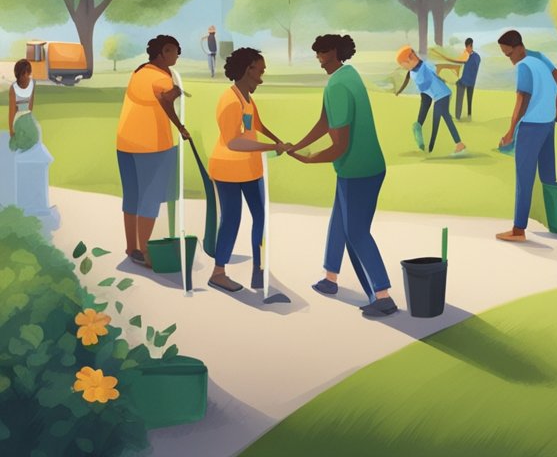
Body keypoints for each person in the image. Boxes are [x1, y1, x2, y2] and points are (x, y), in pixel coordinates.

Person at [289, 34, 397, 318]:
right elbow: (326, 121)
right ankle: (330, 278)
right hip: (363, 167)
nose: (319, 59)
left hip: (358, 171)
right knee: (340, 221)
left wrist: (309, 158)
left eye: (322, 53)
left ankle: (383, 296)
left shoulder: (337, 85)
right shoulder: (348, 75)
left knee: (357, 232)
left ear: (335, 52)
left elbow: (339, 146)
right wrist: (297, 145)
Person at [207, 48, 291, 292]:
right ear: (247, 70)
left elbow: (257, 124)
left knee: (261, 219)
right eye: (260, 72)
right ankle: (218, 273)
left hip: (251, 170)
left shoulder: (246, 98)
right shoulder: (229, 101)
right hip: (228, 170)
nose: (261, 78)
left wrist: (280, 142)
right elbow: (233, 142)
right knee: (232, 219)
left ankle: (259, 268)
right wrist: (272, 146)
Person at [116, 36, 190, 270]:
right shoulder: (161, 76)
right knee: (150, 198)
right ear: (164, 52)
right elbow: (166, 100)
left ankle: (132, 247)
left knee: (132, 196)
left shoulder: (139, 72)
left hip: (125, 141)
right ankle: (146, 252)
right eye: (176, 51)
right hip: (152, 144)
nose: (177, 55)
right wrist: (180, 125)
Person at [496, 30, 557, 242]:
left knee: (524, 178)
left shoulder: (523, 65)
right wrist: (550, 111)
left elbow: (522, 100)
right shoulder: (539, 58)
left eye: (509, 54)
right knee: (549, 176)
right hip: (548, 125)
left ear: (519, 48)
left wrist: (510, 132)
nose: (510, 60)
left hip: (531, 127)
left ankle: (518, 229)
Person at [394, 46, 466, 154]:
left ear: (409, 60)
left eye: (403, 65)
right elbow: (411, 82)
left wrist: (453, 70)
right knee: (439, 119)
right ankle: (438, 144)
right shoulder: (414, 72)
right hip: (437, 96)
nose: (403, 67)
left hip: (442, 95)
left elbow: (437, 71)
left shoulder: (425, 67)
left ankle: (440, 145)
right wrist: (399, 91)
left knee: (440, 120)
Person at [8, 59, 39, 151]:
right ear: (19, 73)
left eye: (27, 72)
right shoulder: (13, 88)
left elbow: (31, 104)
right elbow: (12, 110)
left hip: (27, 115)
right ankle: (14, 143)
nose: (26, 75)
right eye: (23, 73)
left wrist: (29, 118)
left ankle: (18, 140)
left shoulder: (33, 83)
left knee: (34, 137)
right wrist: (11, 130)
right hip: (18, 117)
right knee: (29, 138)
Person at [456, 38, 481, 121]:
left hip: (469, 81)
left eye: (468, 46)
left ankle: (469, 115)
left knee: (469, 99)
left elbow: (474, 68)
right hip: (463, 81)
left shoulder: (476, 57)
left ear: (471, 46)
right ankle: (458, 116)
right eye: (466, 47)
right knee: (460, 99)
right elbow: (459, 64)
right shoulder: (464, 55)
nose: (467, 48)